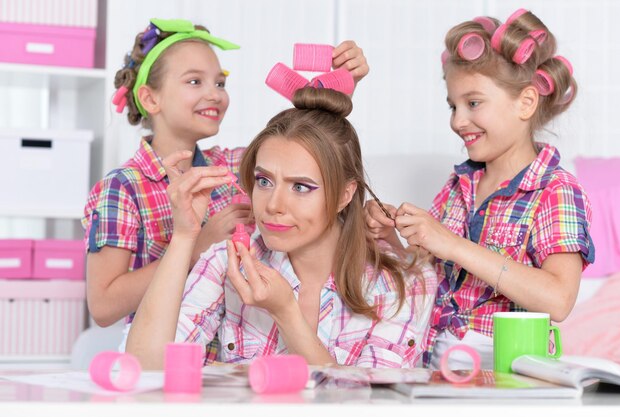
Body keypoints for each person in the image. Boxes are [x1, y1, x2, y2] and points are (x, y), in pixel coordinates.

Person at [81, 18, 371, 333]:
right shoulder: (122, 188)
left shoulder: (232, 166)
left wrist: (339, 87)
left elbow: (308, 154)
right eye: (195, 82)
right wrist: (195, 246)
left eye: (220, 83)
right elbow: (104, 306)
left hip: (236, 354)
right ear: (151, 98)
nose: (215, 95)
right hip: (166, 350)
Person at [125, 86, 437, 369]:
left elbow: (369, 404)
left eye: (301, 187)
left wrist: (286, 313)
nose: (273, 204)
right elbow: (144, 367)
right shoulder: (228, 261)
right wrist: (183, 237)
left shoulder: (405, 281)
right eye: (264, 181)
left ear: (345, 194)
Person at [364, 9, 594, 370]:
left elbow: (558, 299)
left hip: (506, 373)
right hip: (433, 367)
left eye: (473, 103)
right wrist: (391, 241)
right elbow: (426, 276)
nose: (457, 120)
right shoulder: (459, 185)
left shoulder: (555, 190)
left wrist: (453, 244)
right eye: (453, 105)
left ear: (526, 102)